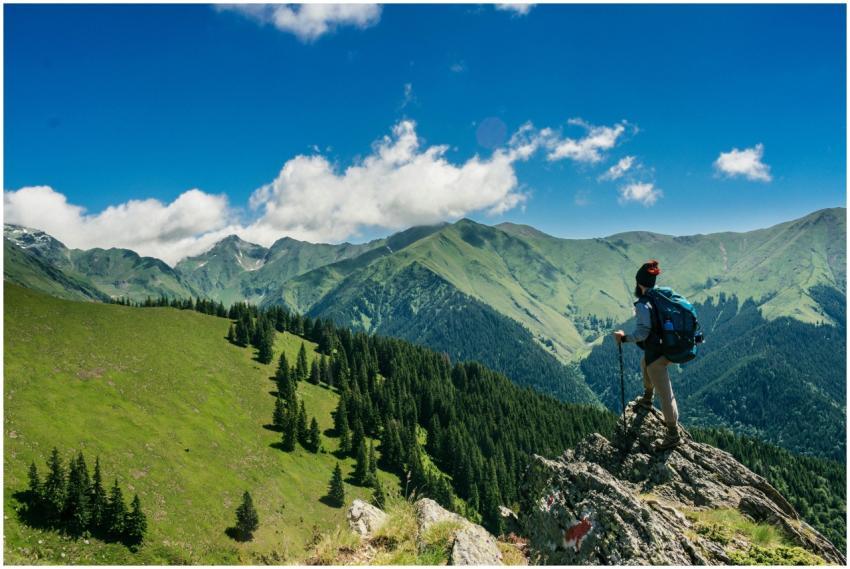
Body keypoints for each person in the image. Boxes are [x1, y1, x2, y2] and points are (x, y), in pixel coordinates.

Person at [612, 260, 681, 450]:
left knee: (666, 394)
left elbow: (643, 332)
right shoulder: (660, 296)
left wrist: (623, 338)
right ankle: (648, 396)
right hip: (666, 346)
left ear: (639, 283)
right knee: (645, 364)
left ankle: (673, 434)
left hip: (657, 354)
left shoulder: (644, 304)